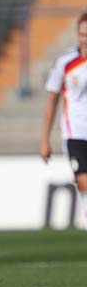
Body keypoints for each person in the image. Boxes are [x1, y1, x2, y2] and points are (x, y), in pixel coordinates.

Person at [40, 12, 87, 228]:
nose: (85, 39)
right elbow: (52, 100)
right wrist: (44, 140)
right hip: (75, 132)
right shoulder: (65, 62)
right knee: (83, 180)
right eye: (82, 34)